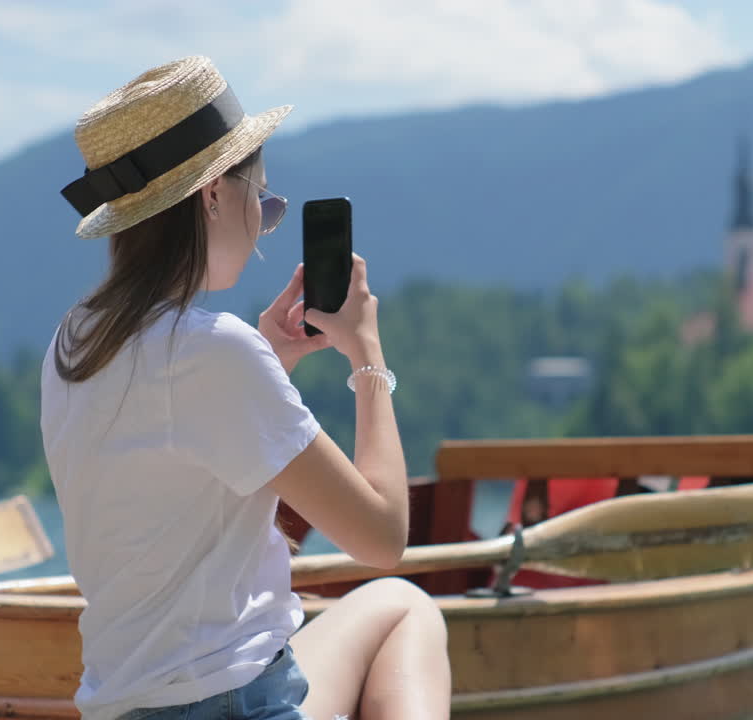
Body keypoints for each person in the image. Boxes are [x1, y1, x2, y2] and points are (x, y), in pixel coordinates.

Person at [41, 56, 450, 720]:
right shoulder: (212, 351)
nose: (263, 221)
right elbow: (382, 536)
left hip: (123, 708)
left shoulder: (75, 342)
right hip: (234, 707)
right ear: (211, 195)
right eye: (260, 197)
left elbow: (177, 478)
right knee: (407, 607)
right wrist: (367, 359)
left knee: (398, 608)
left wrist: (268, 365)